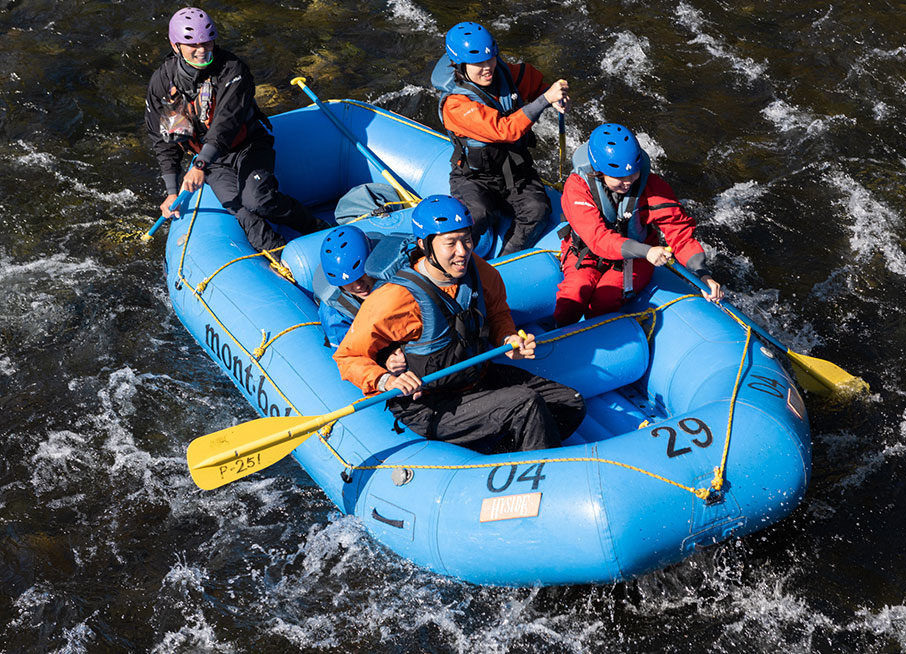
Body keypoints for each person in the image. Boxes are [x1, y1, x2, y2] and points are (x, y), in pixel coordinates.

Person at [334, 195, 585, 454]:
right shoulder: (394, 299)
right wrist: (386, 380)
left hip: (476, 379)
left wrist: (507, 339)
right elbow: (348, 356)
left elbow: (498, 312)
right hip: (431, 403)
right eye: (450, 243)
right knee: (525, 404)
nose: (462, 251)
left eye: (466, 239)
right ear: (425, 245)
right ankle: (539, 470)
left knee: (571, 402)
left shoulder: (480, 271)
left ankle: (504, 451)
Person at [145, 7, 322, 254]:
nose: (201, 50)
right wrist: (172, 191)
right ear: (175, 46)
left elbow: (225, 124)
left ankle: (315, 227)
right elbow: (164, 140)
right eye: (192, 44)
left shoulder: (233, 70)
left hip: (248, 146)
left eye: (207, 42)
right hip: (215, 164)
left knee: (259, 201)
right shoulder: (162, 83)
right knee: (243, 212)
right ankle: (281, 257)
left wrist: (199, 165)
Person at [553, 123, 724, 327]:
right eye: (619, 177)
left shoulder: (651, 186)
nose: (628, 182)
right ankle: (558, 335)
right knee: (573, 296)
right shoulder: (577, 187)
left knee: (603, 301)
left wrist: (702, 274)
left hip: (634, 258)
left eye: (632, 174)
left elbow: (679, 233)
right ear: (599, 171)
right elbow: (597, 238)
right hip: (588, 251)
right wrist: (647, 251)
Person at [431, 21, 568, 256]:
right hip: (474, 177)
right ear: (460, 65)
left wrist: (554, 94)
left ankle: (503, 264)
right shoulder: (456, 105)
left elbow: (536, 85)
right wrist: (544, 100)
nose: (487, 68)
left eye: (490, 59)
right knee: (477, 215)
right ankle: (453, 264)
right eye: (478, 63)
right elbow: (504, 130)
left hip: (515, 172)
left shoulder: (507, 75)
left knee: (537, 211)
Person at [316, 225, 407, 374]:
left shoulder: (397, 265)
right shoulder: (334, 312)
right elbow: (350, 358)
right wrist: (385, 360)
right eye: (349, 282)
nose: (358, 286)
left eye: (361, 275)